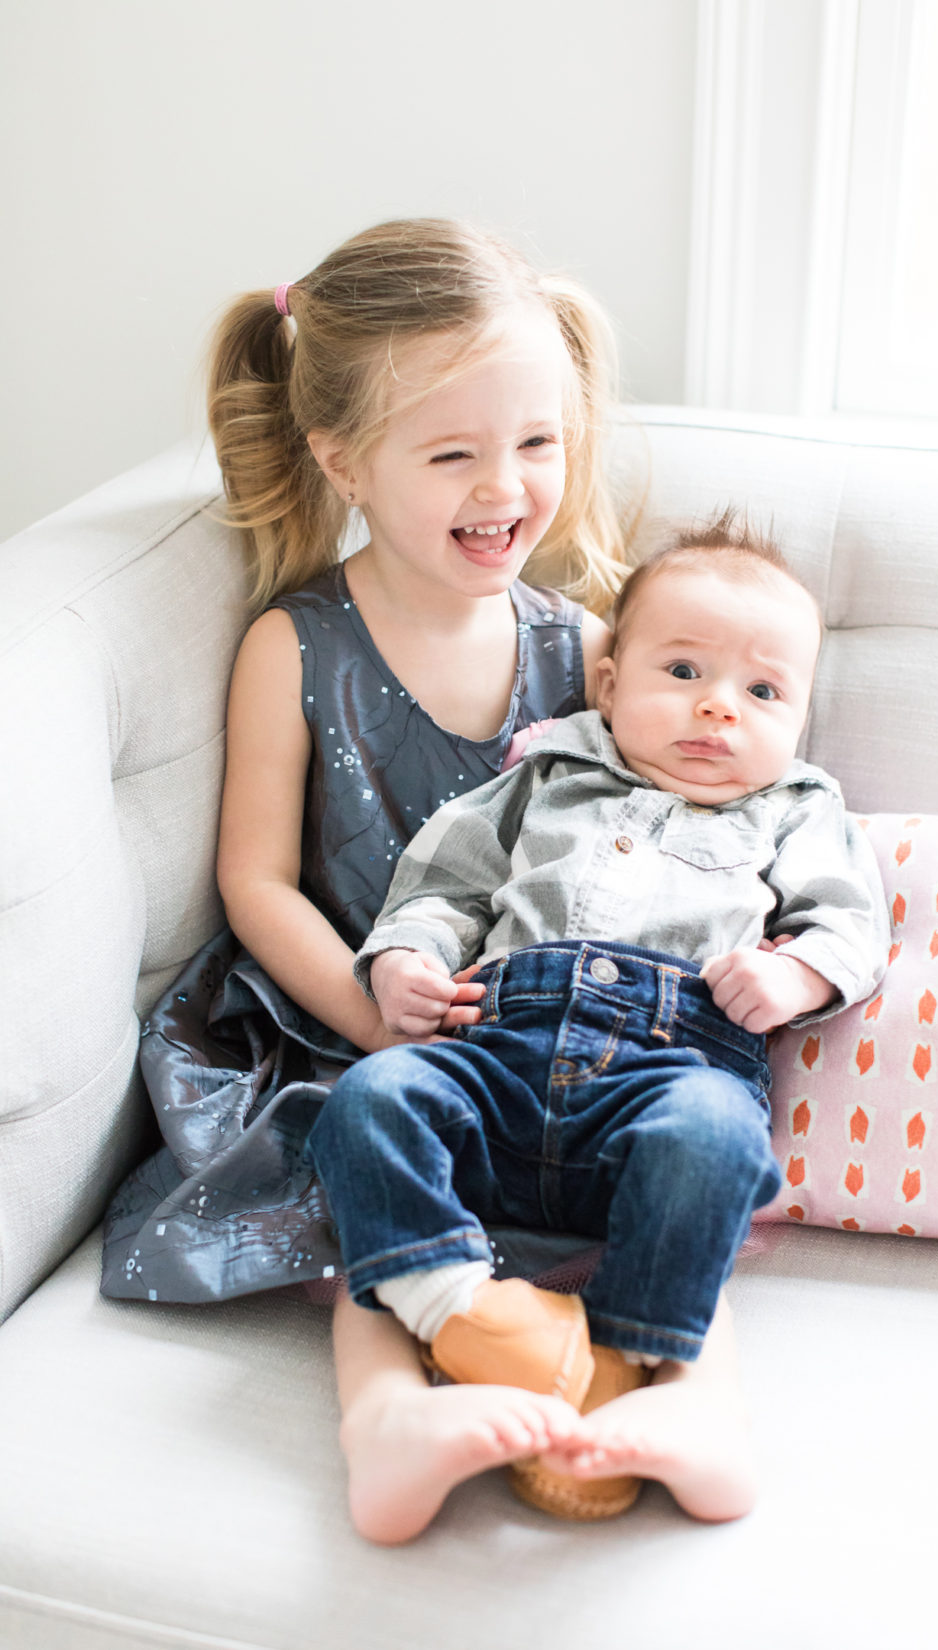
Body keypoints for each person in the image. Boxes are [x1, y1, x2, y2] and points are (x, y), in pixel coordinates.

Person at [96, 218, 754, 1548]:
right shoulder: (298, 644)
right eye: (452, 453)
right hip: (358, 1020)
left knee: (691, 1168)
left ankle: (690, 1399)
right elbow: (254, 879)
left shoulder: (590, 650)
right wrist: (362, 1007)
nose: (505, 487)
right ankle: (388, 1414)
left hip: (556, 1037)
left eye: (536, 444)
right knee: (371, 1157)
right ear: (344, 460)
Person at [307, 515, 890, 1528]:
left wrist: (793, 977)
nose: (717, 706)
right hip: (493, 1055)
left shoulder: (795, 807)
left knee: (715, 1139)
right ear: (610, 684)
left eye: (762, 692)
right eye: (682, 670)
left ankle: (624, 1364)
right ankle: (461, 1313)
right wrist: (405, 959)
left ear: (796, 722)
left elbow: (848, 921)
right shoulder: (543, 776)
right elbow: (445, 888)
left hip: (669, 1071)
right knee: (369, 1098)